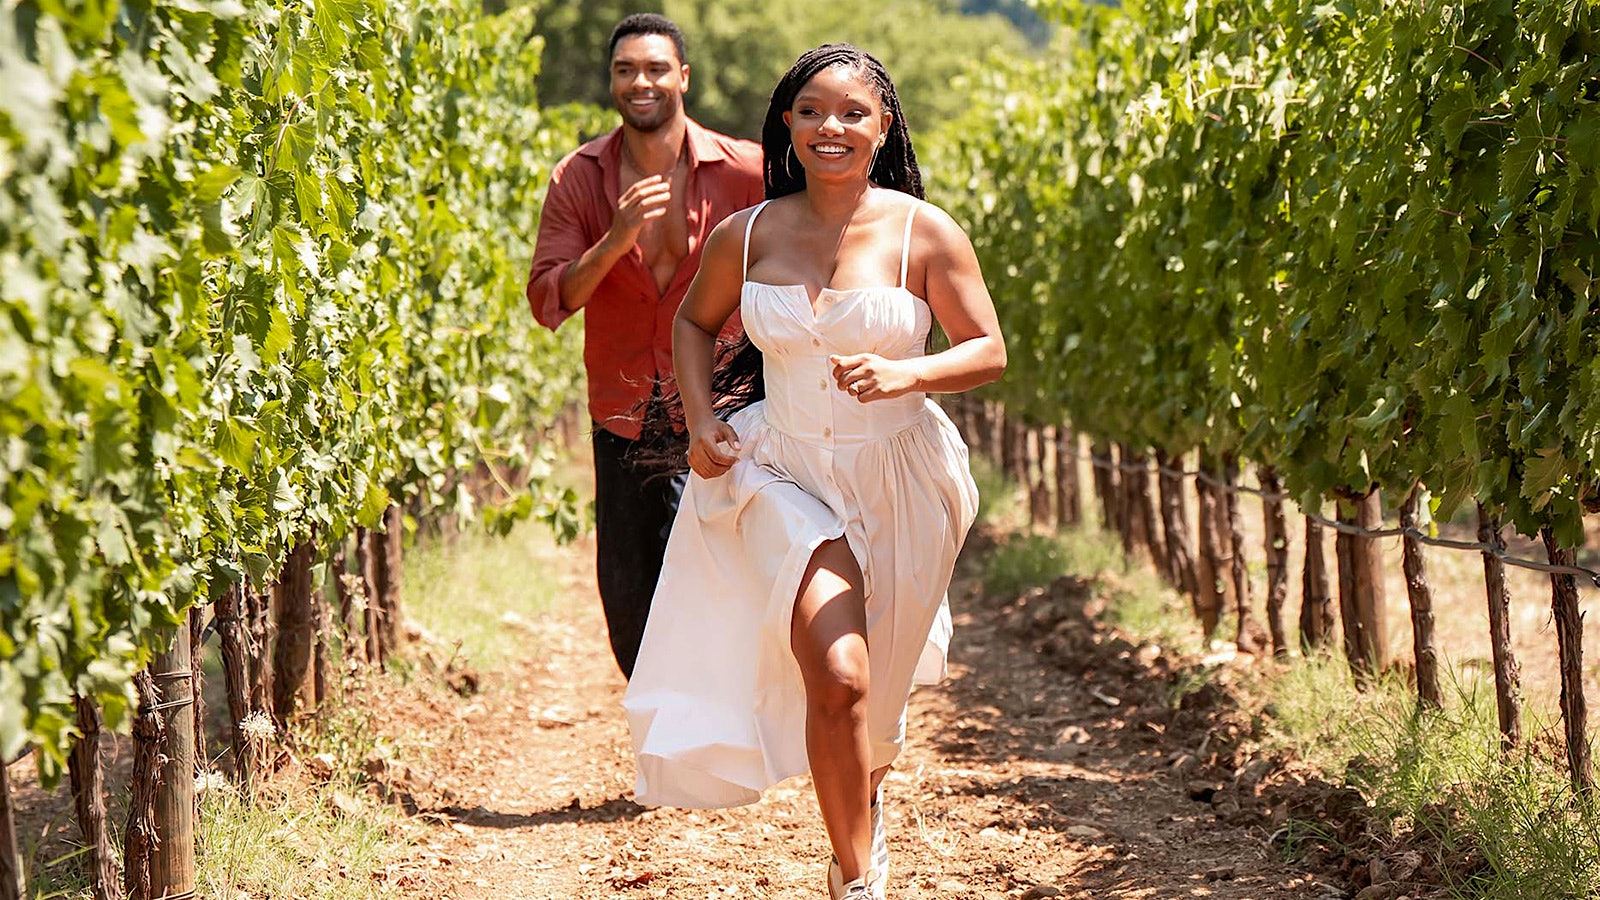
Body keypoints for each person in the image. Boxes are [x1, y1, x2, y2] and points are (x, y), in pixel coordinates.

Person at [623, 44, 1007, 899]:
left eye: (852, 113)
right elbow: (693, 324)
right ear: (787, 127)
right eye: (810, 112)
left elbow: (988, 349)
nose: (830, 128)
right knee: (839, 678)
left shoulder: (924, 230)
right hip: (782, 474)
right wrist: (701, 419)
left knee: (877, 708)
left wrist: (910, 373)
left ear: (883, 126)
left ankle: (854, 825)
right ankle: (862, 880)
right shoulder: (749, 233)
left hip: (903, 476)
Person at [526, 14, 763, 680]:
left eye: (656, 68)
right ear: (612, 81)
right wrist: (615, 238)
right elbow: (550, 299)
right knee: (627, 599)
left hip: (726, 410)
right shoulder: (578, 177)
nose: (641, 82)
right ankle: (663, 725)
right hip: (624, 409)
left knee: (723, 578)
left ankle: (710, 744)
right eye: (625, 69)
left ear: (683, 77)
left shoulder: (744, 171)